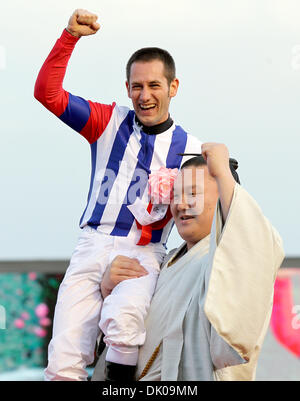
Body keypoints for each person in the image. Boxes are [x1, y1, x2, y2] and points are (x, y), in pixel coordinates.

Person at [34, 9, 202, 381]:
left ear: (173, 88)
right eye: (137, 86)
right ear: (127, 88)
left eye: (155, 85)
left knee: (124, 325)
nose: (145, 95)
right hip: (91, 246)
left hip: (143, 251)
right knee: (62, 363)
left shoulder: (191, 150)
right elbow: (46, 93)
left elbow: (201, 219)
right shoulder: (107, 120)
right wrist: (68, 37)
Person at [92, 142, 285, 381]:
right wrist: (109, 291)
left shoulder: (227, 257)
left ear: (226, 198)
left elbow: (252, 244)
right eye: (175, 195)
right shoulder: (162, 263)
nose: (181, 204)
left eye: (193, 194)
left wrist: (223, 174)